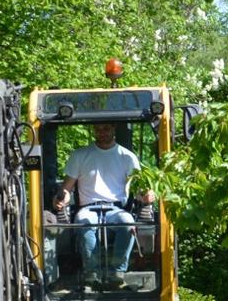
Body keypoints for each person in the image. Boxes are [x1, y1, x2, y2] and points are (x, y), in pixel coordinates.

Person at [53, 123, 155, 288]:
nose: (102, 132)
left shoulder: (127, 157)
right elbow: (67, 188)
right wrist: (61, 199)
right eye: (98, 128)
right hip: (88, 208)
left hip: (116, 209)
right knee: (85, 222)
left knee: (127, 221)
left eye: (106, 128)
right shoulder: (80, 155)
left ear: (114, 129)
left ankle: (118, 273)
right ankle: (91, 273)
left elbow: (138, 189)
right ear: (94, 130)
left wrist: (147, 195)